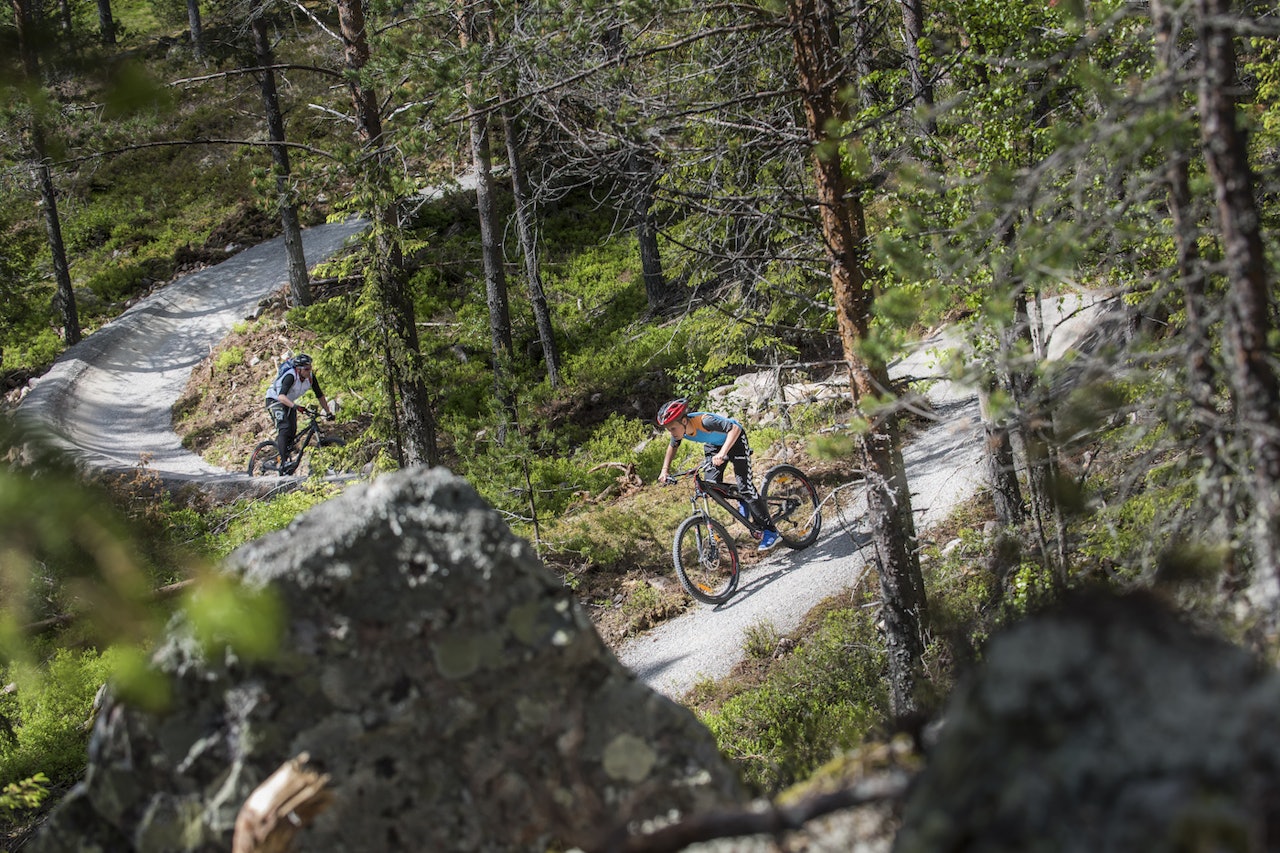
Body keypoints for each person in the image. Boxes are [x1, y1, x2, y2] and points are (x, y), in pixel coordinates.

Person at [655, 398, 780, 551]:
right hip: (714, 446)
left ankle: (770, 531)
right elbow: (672, 447)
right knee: (711, 487)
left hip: (735, 441)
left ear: (684, 421)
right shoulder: (679, 432)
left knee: (746, 487)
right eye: (669, 430)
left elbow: (735, 428)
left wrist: (723, 453)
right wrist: (664, 470)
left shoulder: (705, 422)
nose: (671, 433)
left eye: (672, 428)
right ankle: (743, 499)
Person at [265, 352, 334, 461]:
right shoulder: (290, 376)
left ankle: (284, 455)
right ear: (298, 369)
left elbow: (319, 395)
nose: (309, 371)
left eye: (310, 368)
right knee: (285, 428)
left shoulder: (310, 377)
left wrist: (328, 412)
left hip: (288, 401)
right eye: (306, 369)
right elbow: (281, 396)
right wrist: (296, 407)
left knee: (293, 431)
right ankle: (283, 462)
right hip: (274, 400)